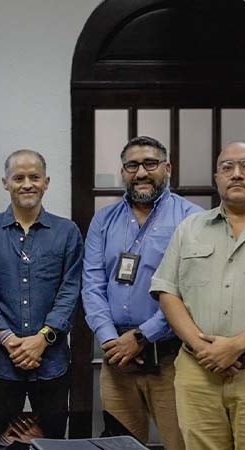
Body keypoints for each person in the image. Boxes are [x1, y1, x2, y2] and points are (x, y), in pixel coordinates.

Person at [151, 142, 245, 450]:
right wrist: (205, 349)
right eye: (227, 168)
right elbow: (167, 291)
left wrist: (236, 346)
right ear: (217, 178)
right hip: (198, 374)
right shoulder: (189, 229)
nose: (236, 174)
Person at [82, 136, 199, 449]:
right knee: (119, 445)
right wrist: (109, 339)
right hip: (116, 361)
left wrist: (141, 337)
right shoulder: (104, 220)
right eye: (132, 165)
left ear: (167, 168)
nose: (141, 172)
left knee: (181, 444)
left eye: (150, 163)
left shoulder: (192, 219)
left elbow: (191, 291)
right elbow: (92, 283)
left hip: (171, 359)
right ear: (123, 171)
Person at [0, 150, 82, 439]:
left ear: (46, 182)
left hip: (52, 363)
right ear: (5, 183)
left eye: (34, 177)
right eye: (18, 177)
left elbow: (70, 290)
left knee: (52, 440)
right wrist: (9, 340)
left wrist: (42, 339)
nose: (27, 184)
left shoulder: (67, 232)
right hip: (1, 364)